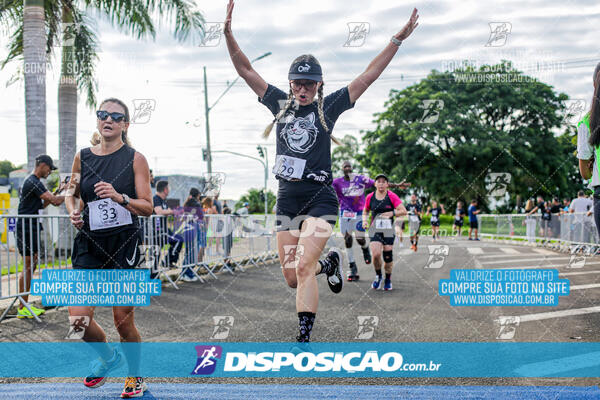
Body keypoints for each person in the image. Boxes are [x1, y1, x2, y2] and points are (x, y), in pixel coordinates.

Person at [224, 0, 418, 343]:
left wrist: (398, 40)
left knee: (301, 265)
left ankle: (303, 340)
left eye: (309, 84)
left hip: (319, 199)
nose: (302, 89)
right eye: (297, 83)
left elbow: (369, 75)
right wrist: (227, 34)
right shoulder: (277, 102)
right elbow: (245, 70)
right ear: (289, 83)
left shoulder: (329, 105)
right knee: (292, 276)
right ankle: (329, 264)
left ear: (319, 85)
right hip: (286, 201)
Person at [65, 98, 153, 397]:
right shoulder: (82, 157)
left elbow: (147, 207)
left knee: (122, 320)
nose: (109, 120)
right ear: (98, 120)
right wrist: (73, 210)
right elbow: (71, 192)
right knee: (78, 318)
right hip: (89, 243)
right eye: (103, 114)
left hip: (123, 244)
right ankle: (108, 358)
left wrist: (120, 197)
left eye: (116, 116)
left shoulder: (135, 159)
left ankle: (135, 376)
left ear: (125, 125)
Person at [332, 160, 409, 281]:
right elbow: (327, 189)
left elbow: (378, 184)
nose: (347, 168)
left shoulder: (360, 179)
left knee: (360, 238)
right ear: (342, 169)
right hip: (344, 214)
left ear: (352, 168)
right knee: (347, 239)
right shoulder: (337, 182)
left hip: (358, 213)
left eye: (349, 166)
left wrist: (398, 185)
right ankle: (352, 266)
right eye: (345, 167)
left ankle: (365, 248)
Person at [15, 155, 65, 319]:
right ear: (42, 165)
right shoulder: (33, 181)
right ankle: (22, 306)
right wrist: (70, 191)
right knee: (28, 265)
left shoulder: (35, 182)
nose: (50, 172)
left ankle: (24, 304)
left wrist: (58, 192)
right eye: (49, 168)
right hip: (26, 228)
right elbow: (56, 202)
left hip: (32, 227)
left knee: (32, 264)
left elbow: (43, 204)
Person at [362, 174, 406, 291]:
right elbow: (365, 211)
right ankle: (378, 276)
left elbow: (403, 211)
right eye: (379, 181)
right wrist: (365, 221)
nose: (381, 183)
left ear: (387, 184)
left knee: (387, 257)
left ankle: (388, 278)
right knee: (376, 254)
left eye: (383, 181)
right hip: (375, 229)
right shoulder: (370, 197)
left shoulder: (392, 196)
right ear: (375, 184)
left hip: (388, 230)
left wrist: (392, 213)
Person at [152, 180, 184, 271]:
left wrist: (176, 212)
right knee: (156, 253)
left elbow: (168, 211)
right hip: (158, 230)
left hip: (165, 229)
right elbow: (159, 212)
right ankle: (165, 263)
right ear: (165, 189)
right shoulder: (156, 199)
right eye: (169, 188)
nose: (169, 190)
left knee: (178, 240)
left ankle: (167, 261)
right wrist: (173, 211)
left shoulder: (163, 201)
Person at [177, 188, 204, 282]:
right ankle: (187, 273)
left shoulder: (186, 203)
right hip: (193, 229)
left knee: (188, 252)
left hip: (187, 229)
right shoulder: (196, 204)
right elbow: (201, 216)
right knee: (192, 253)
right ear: (198, 195)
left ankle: (184, 273)